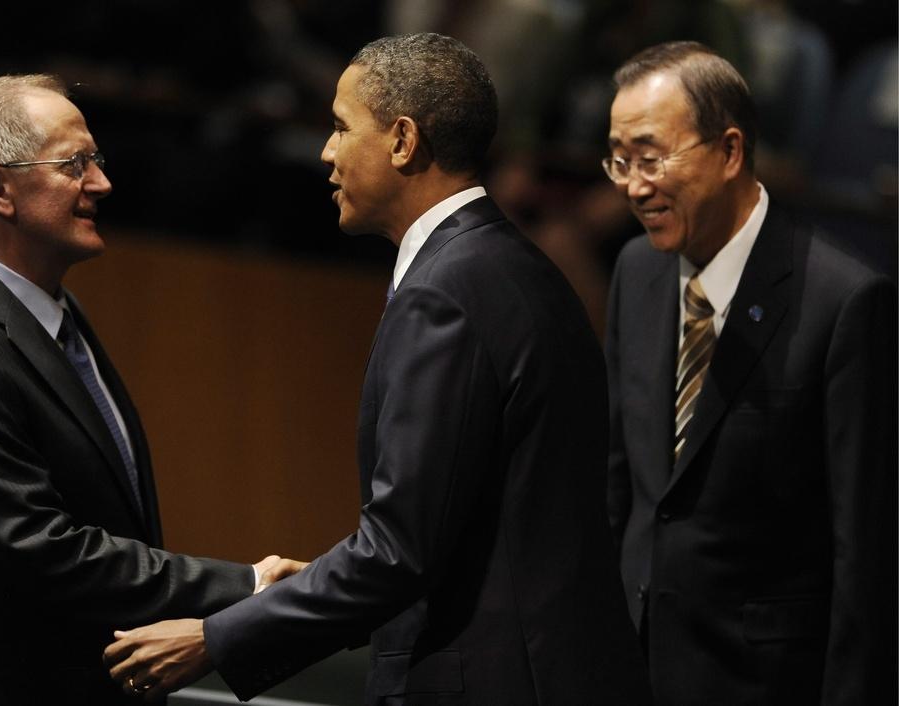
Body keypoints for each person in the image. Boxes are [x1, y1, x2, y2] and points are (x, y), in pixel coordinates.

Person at [104, 33, 651, 705]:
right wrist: (329, 582)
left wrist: (213, 639)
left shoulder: (445, 293)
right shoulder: (515, 268)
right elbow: (460, 530)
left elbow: (398, 553)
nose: (327, 151)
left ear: (402, 140)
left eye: (340, 127)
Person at [0, 74, 296, 705]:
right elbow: (45, 553)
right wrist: (246, 586)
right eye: (75, 164)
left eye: (95, 160)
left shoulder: (52, 315)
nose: (101, 183)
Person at [602, 41, 897, 705]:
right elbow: (622, 488)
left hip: (759, 685)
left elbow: (866, 556)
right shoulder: (635, 271)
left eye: (650, 157)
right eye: (618, 161)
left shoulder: (844, 301)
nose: (632, 184)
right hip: (630, 670)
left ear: (730, 151)